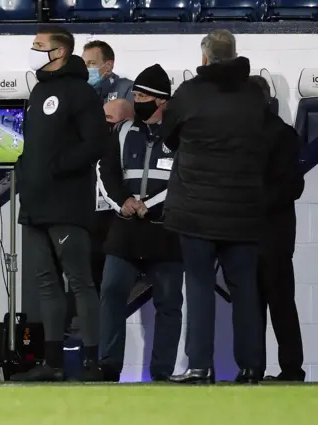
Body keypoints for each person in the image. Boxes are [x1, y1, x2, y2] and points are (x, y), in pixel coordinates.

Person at [161, 30, 269, 385]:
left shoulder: (189, 93)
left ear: (205, 58)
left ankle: (200, 367)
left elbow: (169, 138)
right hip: (245, 209)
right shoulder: (254, 94)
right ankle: (252, 368)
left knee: (199, 287)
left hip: (195, 210)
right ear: (235, 54)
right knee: (246, 291)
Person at [12, 25, 110, 382]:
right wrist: (26, 171)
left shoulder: (81, 93)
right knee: (45, 284)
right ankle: (51, 363)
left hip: (67, 203)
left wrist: (57, 168)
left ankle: (90, 362)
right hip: (35, 203)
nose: (33, 50)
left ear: (60, 53)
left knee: (80, 282)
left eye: (39, 46)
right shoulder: (38, 91)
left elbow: (96, 142)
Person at [97, 64, 183, 382]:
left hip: (166, 230)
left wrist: (152, 205)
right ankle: (108, 365)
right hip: (126, 227)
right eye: (134, 93)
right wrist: (124, 203)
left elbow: (183, 179)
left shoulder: (179, 135)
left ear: (160, 100)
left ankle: (161, 372)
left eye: (142, 95)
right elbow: (106, 172)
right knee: (111, 291)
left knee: (169, 303)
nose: (136, 100)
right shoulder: (121, 131)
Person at [250, 75, 306, 382]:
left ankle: (273, 370)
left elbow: (293, 186)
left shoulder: (280, 135)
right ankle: (282, 370)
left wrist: (250, 204)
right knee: (275, 306)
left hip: (268, 236)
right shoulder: (281, 133)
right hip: (272, 236)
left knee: (272, 306)